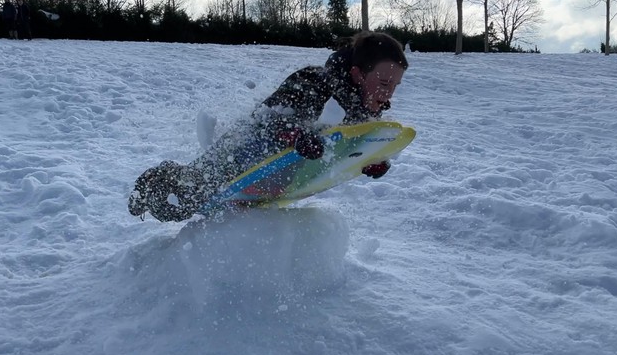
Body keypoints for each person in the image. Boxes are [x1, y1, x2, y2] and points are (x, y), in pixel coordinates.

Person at [129, 31, 409, 222]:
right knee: (182, 199)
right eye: (384, 83)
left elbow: (342, 147)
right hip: (243, 149)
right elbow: (268, 120)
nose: (389, 94)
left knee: (194, 200)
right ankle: (150, 187)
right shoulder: (315, 81)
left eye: (395, 86)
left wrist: (368, 160)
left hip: (273, 168)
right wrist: (297, 136)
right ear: (357, 74)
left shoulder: (363, 108)